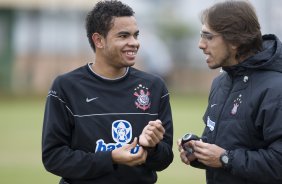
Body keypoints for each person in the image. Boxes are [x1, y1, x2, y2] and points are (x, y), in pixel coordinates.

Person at [41, 1, 173, 184]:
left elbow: (164, 160)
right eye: (123, 36)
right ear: (99, 40)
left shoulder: (154, 87)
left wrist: (152, 147)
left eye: (136, 35)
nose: (134, 43)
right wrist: (110, 158)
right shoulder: (66, 87)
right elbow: (53, 157)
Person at [177, 1, 282, 184]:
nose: (200, 44)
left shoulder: (276, 88)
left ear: (234, 41)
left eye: (208, 37)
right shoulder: (221, 82)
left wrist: (226, 158)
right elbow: (223, 151)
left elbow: (278, 162)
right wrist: (199, 152)